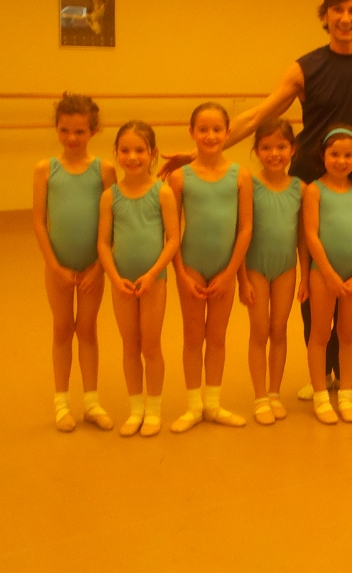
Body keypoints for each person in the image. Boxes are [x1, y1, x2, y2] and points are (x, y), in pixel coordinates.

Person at [160, 0, 352, 398]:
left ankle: (346, 374)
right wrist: (199, 153)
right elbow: (257, 116)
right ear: (325, 16)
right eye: (338, 10)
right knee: (315, 274)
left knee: (351, 269)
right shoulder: (304, 69)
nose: (346, 18)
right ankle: (322, 373)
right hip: (309, 182)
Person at [32, 93, 117, 432]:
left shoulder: (104, 170)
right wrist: (54, 266)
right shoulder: (45, 170)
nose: (72, 138)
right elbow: (39, 221)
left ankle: (92, 402)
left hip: (93, 266)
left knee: (87, 329)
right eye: (65, 130)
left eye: (80, 131)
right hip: (58, 266)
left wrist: (100, 266)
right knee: (62, 328)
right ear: (56, 128)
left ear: (93, 131)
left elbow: (113, 221)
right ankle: (61, 403)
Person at [168, 103, 253, 433]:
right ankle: (194, 407)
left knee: (216, 338)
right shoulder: (179, 177)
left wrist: (230, 273)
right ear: (191, 133)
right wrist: (179, 272)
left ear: (228, 133)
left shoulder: (240, 175)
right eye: (203, 129)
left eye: (217, 129)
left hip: (224, 268)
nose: (210, 135)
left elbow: (245, 229)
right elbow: (171, 232)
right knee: (193, 337)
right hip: (190, 265)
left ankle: (213, 405)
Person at [98, 121, 180, 436]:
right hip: (121, 281)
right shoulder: (110, 196)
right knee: (130, 345)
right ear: (116, 153)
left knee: (151, 345)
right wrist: (114, 276)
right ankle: (136, 409)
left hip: (154, 280)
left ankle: (154, 409)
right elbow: (103, 243)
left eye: (139, 150)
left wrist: (153, 273)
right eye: (125, 151)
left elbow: (173, 239)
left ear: (152, 153)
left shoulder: (163, 193)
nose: (132, 157)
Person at [302, 126, 352, 424]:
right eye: (335, 154)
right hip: (323, 274)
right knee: (320, 334)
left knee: (348, 334)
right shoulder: (314, 190)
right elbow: (311, 235)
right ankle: (321, 397)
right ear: (323, 155)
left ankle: (345, 394)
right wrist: (329, 274)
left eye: (348, 155)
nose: (341, 161)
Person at [239, 118, 305, 425]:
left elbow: (303, 236)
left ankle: (275, 392)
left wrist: (305, 276)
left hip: (286, 269)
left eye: (281, 147)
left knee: (279, 330)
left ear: (292, 149)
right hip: (255, 267)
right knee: (259, 331)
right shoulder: (249, 185)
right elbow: (240, 233)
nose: (274, 154)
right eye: (266, 147)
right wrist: (241, 278)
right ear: (256, 151)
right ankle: (260, 397)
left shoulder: (300, 188)